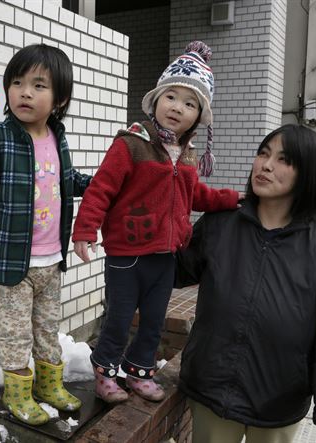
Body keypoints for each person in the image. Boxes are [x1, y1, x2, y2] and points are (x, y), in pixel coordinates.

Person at [72, 41, 241, 403]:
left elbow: (196, 196)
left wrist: (231, 199)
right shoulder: (132, 143)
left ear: (199, 116)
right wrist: (85, 229)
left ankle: (138, 372)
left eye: (190, 103)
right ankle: (105, 373)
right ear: (156, 100)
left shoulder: (189, 154)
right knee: (118, 318)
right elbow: (100, 189)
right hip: (127, 254)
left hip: (166, 255)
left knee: (152, 321)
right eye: (172, 97)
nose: (178, 107)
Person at [175, 124, 316, 442]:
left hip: (279, 401)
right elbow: (174, 271)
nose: (266, 165)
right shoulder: (221, 223)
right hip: (210, 390)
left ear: (309, 173)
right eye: (263, 153)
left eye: (284, 159)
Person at [0, 44, 91, 426]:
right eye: (17, 82)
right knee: (15, 334)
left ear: (59, 99)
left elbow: (65, 181)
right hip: (10, 262)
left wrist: (97, 186)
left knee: (47, 328)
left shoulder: (57, 139)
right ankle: (18, 394)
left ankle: (48, 385)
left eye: (38, 85)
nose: (25, 92)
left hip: (51, 260)